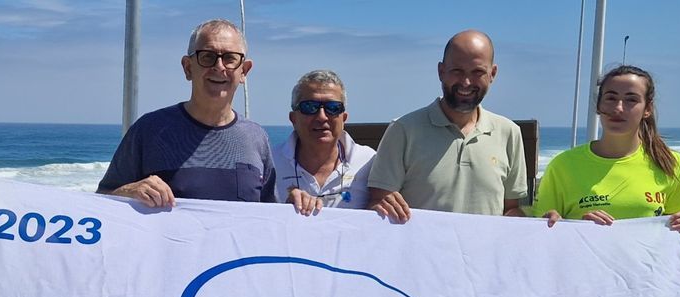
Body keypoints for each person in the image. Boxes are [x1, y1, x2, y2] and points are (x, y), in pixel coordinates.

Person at [97, 18, 276, 207]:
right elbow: (101, 202)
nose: (219, 66)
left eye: (230, 58)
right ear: (188, 67)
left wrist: (302, 206)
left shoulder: (257, 138)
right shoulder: (149, 130)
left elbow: (271, 217)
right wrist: (128, 192)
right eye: (207, 56)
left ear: (244, 71)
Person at [530, 65, 680, 246]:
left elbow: (677, 243)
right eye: (611, 98)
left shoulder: (671, 164)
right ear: (598, 106)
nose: (618, 108)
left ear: (647, 109)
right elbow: (543, 236)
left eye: (631, 100)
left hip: (643, 274)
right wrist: (573, 227)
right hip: (582, 272)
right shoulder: (563, 165)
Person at [366, 29, 527, 222]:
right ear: (441, 72)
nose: (466, 82)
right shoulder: (403, 131)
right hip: (421, 251)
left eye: (477, 72)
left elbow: (511, 210)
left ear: (492, 74)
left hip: (483, 252)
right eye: (457, 71)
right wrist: (379, 206)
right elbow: (377, 204)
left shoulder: (509, 133)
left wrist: (550, 227)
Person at [272, 69, 376, 215]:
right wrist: (285, 210)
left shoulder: (369, 162)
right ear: (293, 118)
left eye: (333, 108)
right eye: (310, 107)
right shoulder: (271, 164)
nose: (322, 117)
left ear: (343, 118)